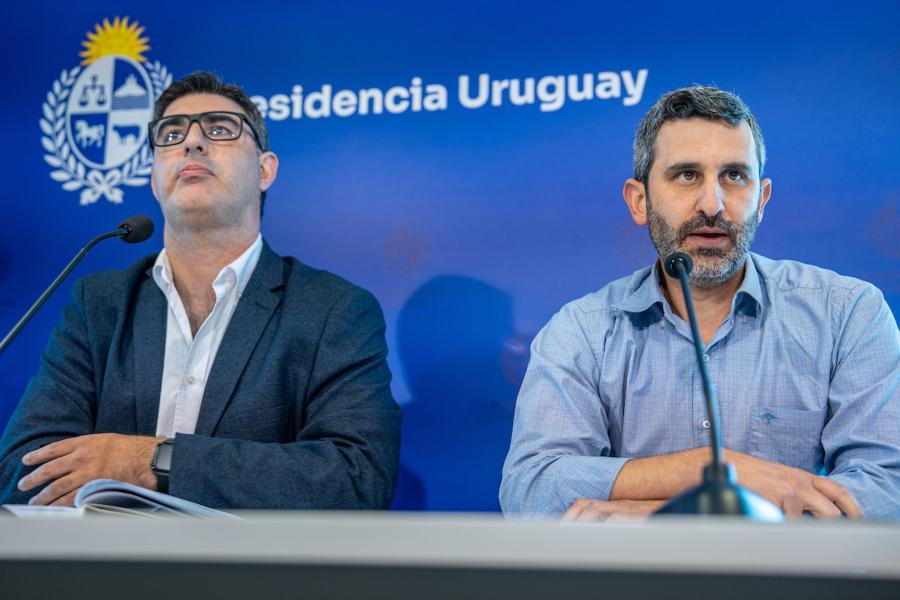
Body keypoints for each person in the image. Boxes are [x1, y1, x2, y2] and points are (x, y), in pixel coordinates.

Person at [0, 71, 402, 509]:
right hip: (104, 553)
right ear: (154, 179)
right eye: (171, 134)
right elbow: (22, 471)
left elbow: (357, 481)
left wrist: (150, 461)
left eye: (220, 129)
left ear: (264, 170)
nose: (191, 142)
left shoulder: (333, 310)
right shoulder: (99, 304)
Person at [500, 85, 900, 520]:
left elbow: (887, 489)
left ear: (762, 200)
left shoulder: (848, 313)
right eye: (687, 175)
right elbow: (531, 488)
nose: (713, 204)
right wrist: (710, 470)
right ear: (640, 201)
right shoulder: (582, 331)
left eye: (735, 176)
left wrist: (655, 515)